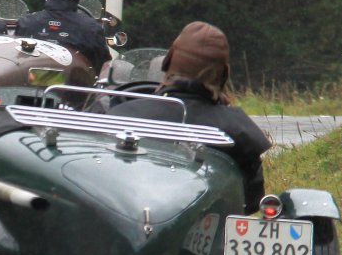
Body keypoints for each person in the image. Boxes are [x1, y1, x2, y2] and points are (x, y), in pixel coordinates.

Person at [109, 21, 271, 211]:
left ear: (168, 62)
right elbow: (251, 202)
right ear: (223, 74)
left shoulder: (123, 114)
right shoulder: (240, 131)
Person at [16, 0, 112, 72]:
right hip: (75, 82)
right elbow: (103, 67)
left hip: (29, 82)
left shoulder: (26, 23)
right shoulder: (91, 28)